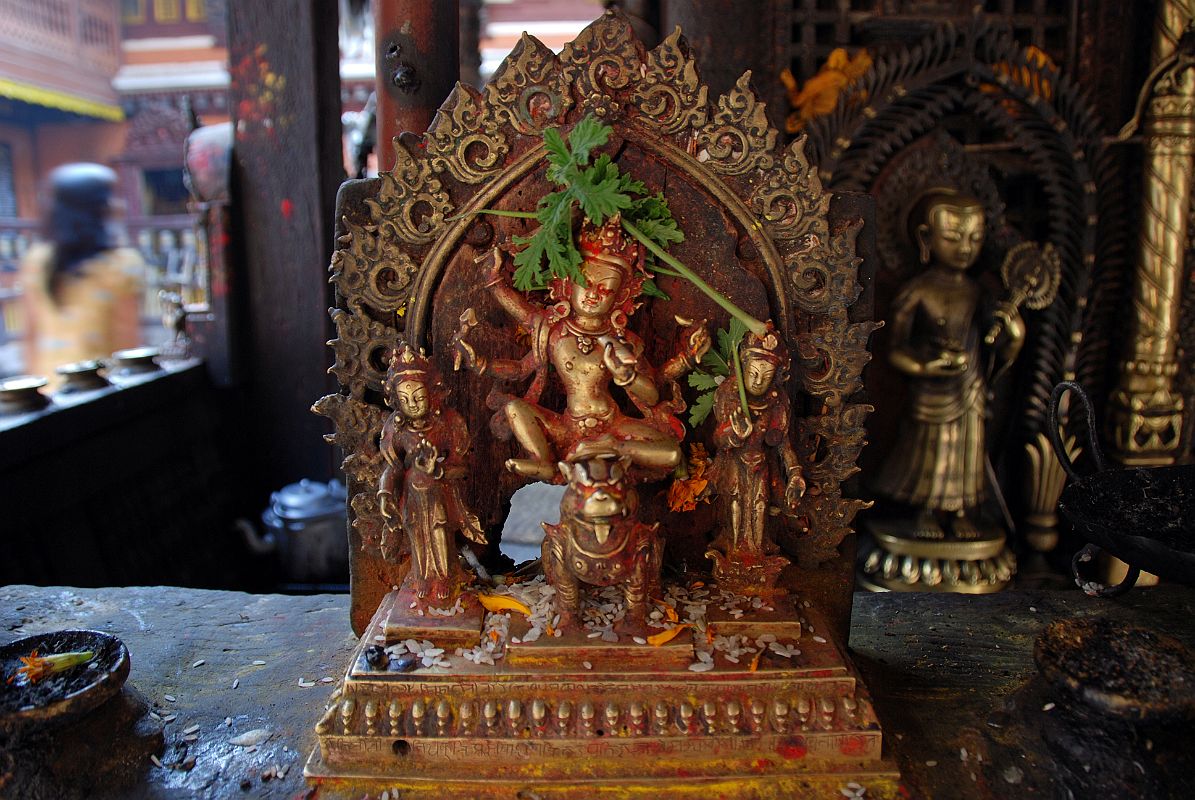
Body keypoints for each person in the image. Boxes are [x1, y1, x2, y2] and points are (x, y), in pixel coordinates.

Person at [457, 215, 709, 483]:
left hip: (613, 427)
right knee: (515, 408)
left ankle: (609, 450)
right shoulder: (553, 332)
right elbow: (520, 367)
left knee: (670, 453)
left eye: (606, 291)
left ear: (620, 297)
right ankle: (544, 463)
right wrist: (481, 362)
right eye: (586, 283)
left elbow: (651, 395)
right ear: (567, 283)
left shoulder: (624, 341)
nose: (593, 295)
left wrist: (628, 377)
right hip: (566, 427)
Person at [871, 189, 1023, 539]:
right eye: (953, 237)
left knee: (965, 452)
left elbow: (997, 346)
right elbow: (894, 349)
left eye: (975, 237)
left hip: (968, 386)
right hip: (931, 390)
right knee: (929, 449)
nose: (965, 247)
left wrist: (1012, 332)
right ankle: (925, 509)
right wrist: (925, 366)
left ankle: (960, 511)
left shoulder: (979, 292)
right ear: (926, 237)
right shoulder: (917, 292)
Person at [21, 164, 144, 386]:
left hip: (50, 390)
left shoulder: (38, 261)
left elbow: (31, 338)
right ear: (100, 207)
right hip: (101, 391)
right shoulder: (122, 265)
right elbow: (127, 343)